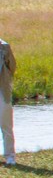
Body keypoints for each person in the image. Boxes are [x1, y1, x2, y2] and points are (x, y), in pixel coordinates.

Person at [0, 37, 15, 166]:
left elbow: (12, 67)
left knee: (6, 125)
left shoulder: (4, 47)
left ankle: (10, 157)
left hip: (2, 91)